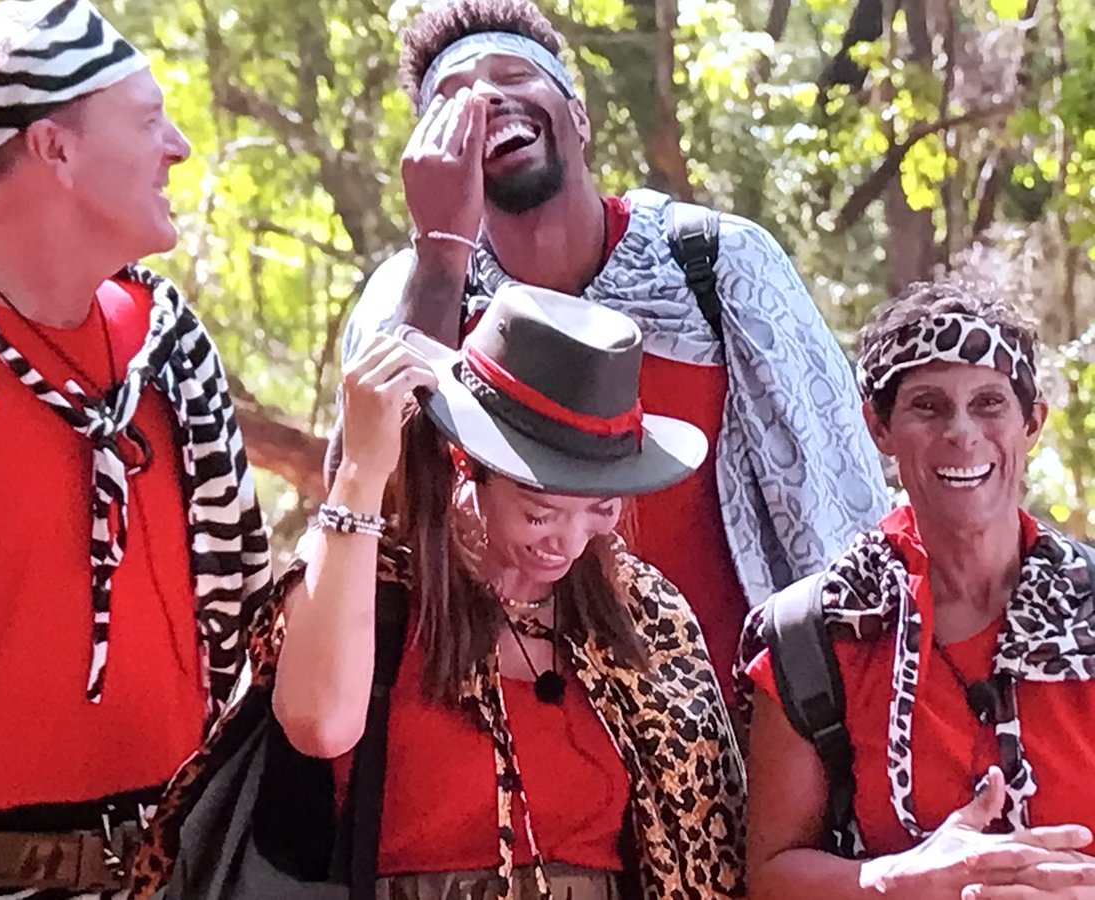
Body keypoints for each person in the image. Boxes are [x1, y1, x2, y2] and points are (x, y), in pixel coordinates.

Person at [339, 0, 889, 700]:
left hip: (720, 733)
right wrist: (441, 257)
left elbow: (836, 509)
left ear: (579, 115)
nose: (482, 98)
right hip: (502, 748)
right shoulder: (414, 291)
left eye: (513, 74)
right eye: (450, 98)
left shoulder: (714, 265)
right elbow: (369, 526)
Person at [133, 284, 746, 899]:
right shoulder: (370, 584)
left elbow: (706, 844)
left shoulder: (646, 613)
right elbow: (318, 726)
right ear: (465, 460)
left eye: (602, 511)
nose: (568, 540)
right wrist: (361, 472)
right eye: (540, 513)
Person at [0, 0, 270, 894]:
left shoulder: (169, 347)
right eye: (147, 120)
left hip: (180, 862)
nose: (177, 146)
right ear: (54, 149)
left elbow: (252, 626)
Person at [736, 278, 1095, 899]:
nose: (961, 432)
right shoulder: (818, 635)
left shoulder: (1086, 612)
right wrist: (899, 878)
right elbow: (772, 876)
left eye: (989, 404)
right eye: (927, 406)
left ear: (1031, 423)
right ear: (879, 428)